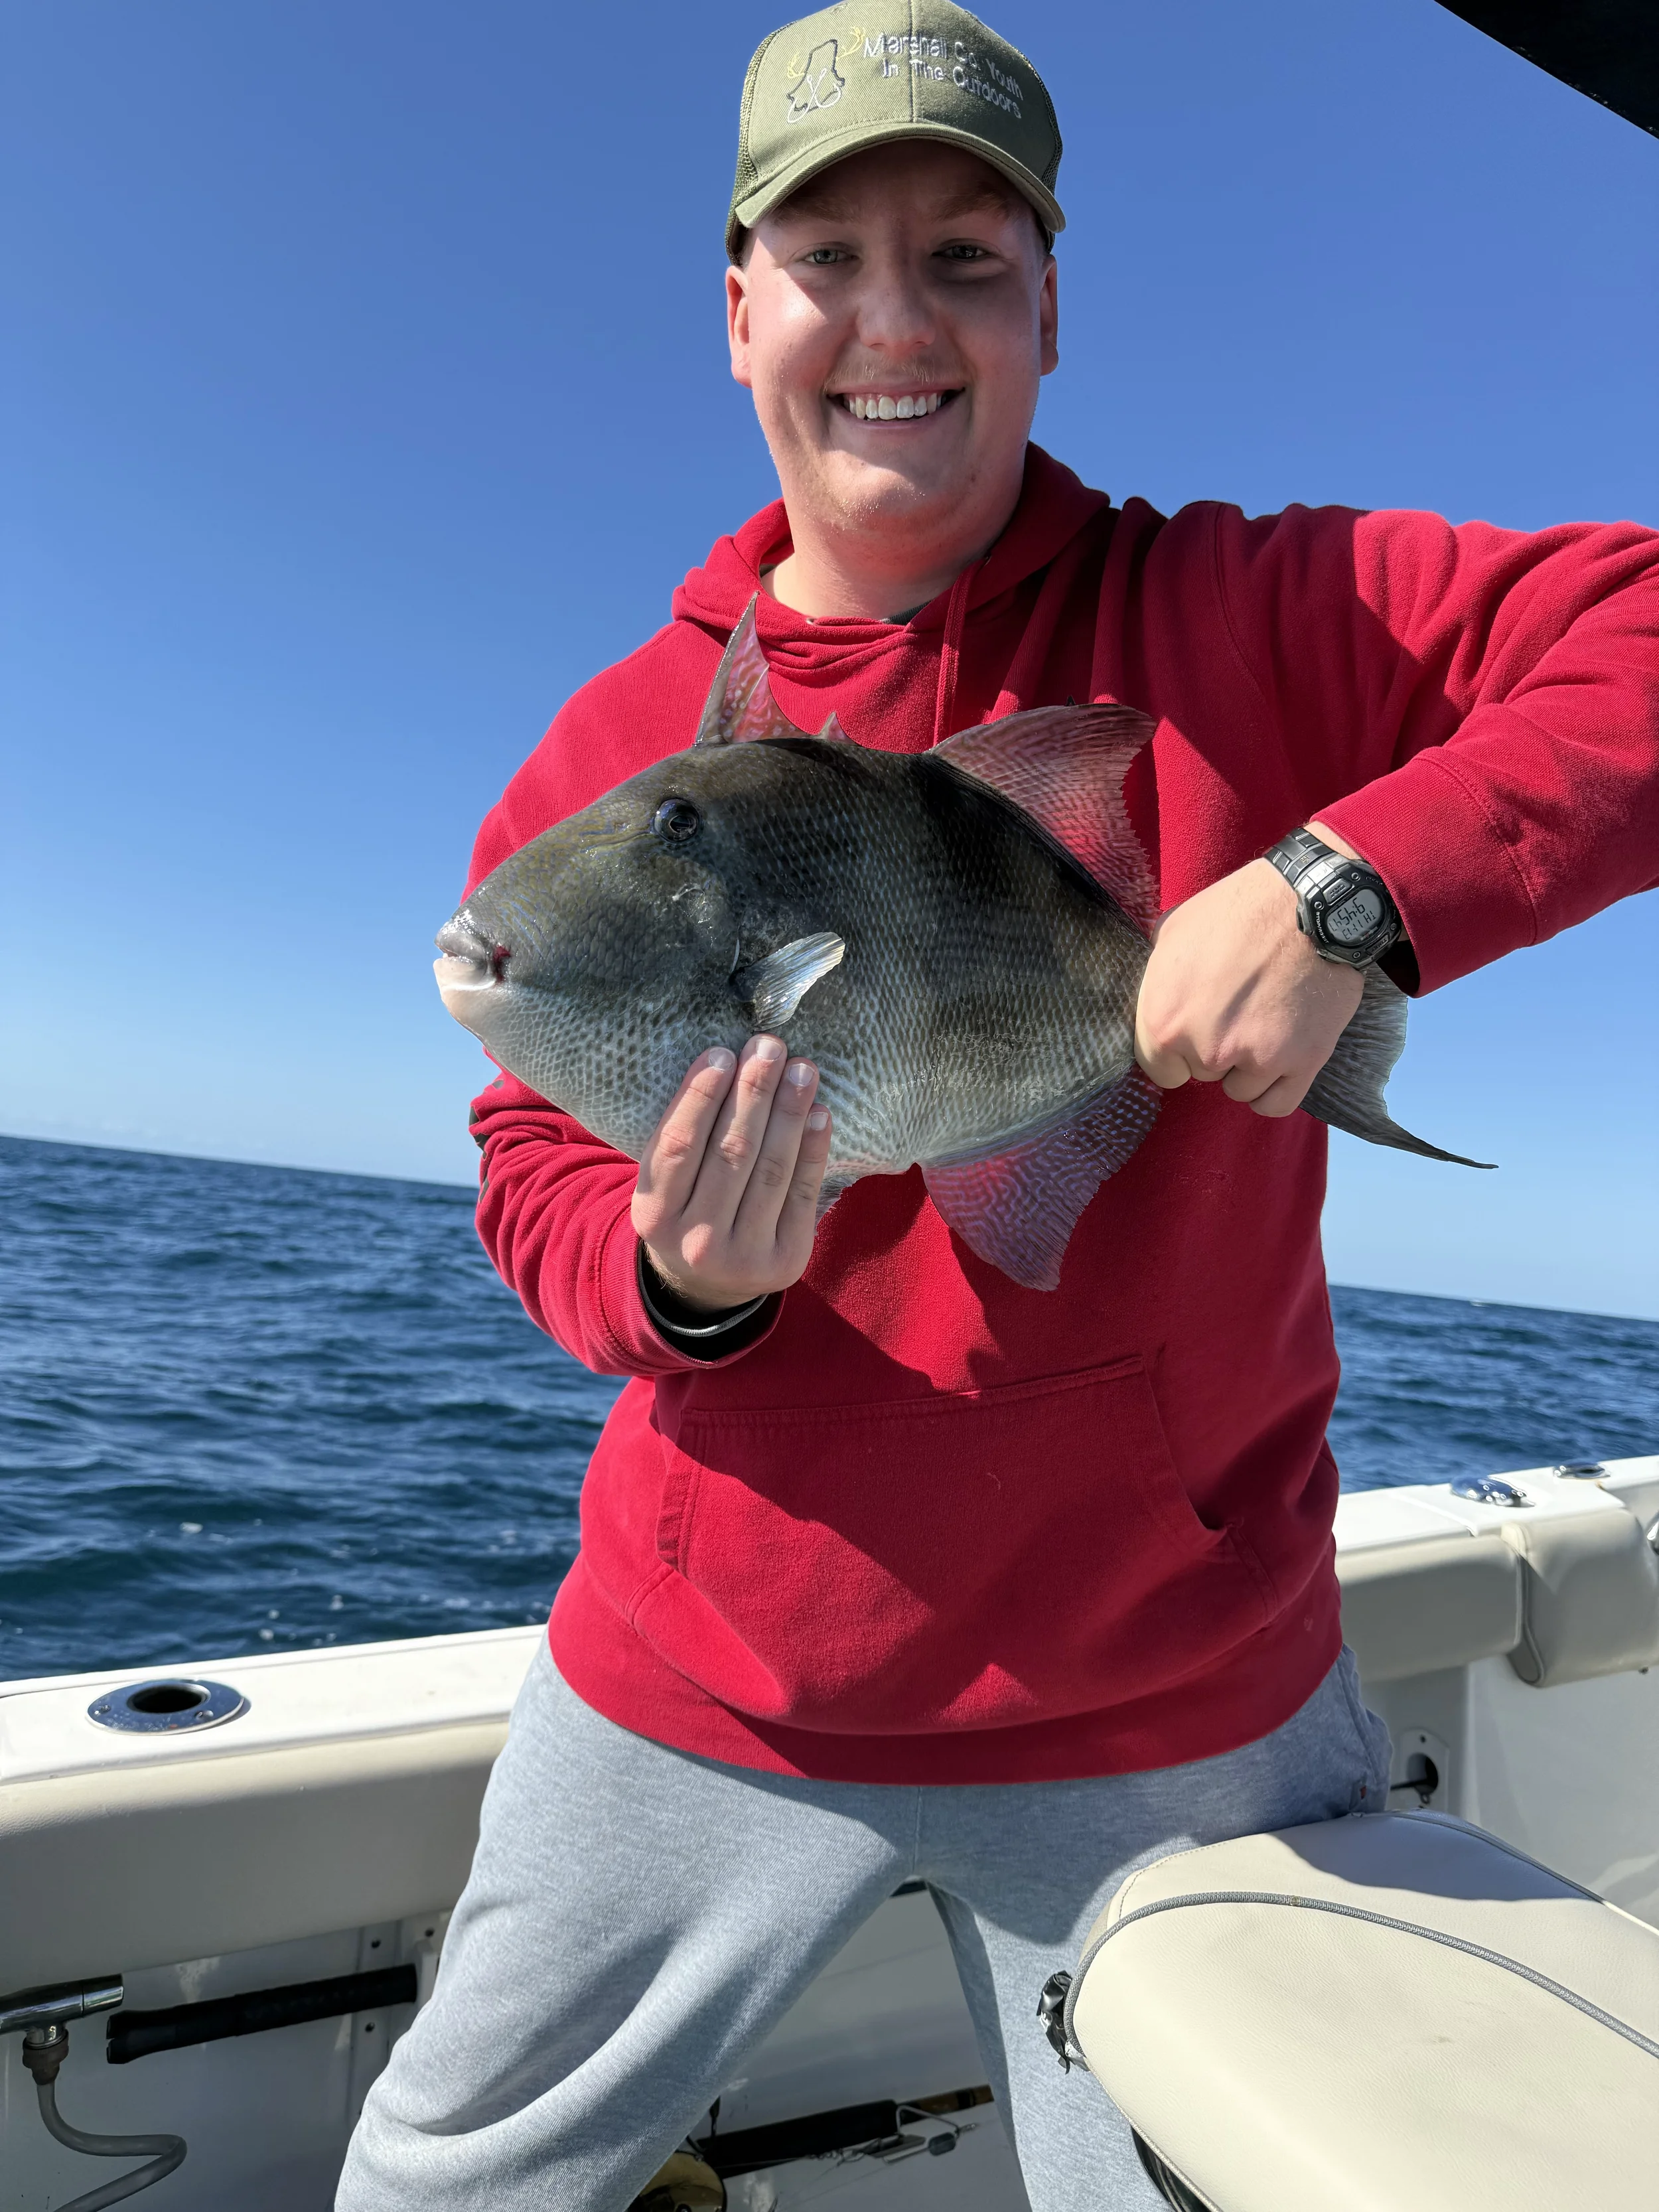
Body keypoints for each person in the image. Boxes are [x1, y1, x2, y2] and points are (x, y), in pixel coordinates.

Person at [337, 7, 1659, 2208]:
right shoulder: (620, 743)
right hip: (695, 1676)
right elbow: (527, 1153)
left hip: (1177, 1702)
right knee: (442, 2185)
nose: (892, 320)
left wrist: (1347, 881)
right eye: (827, 254)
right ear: (737, 305)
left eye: (963, 256)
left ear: (1048, 308)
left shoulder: (1247, 609)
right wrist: (678, 1280)